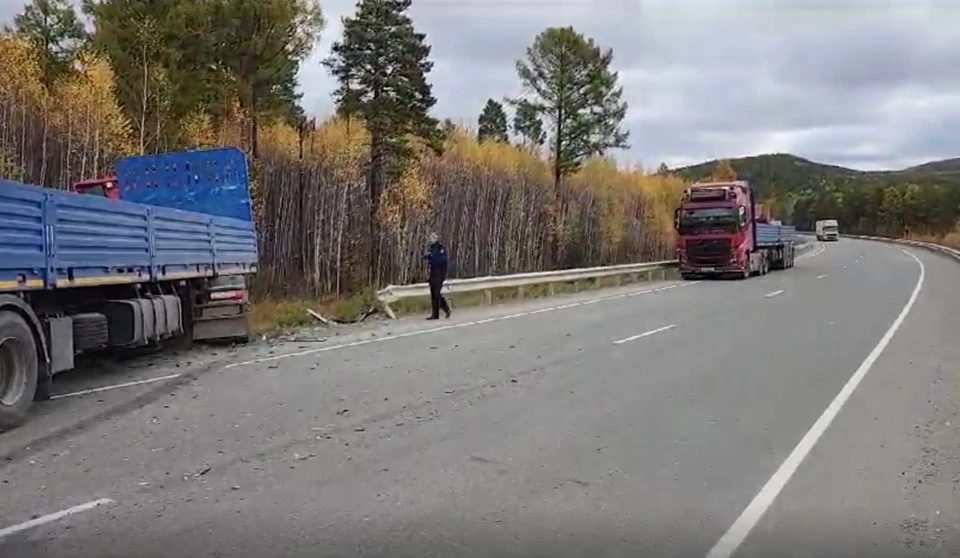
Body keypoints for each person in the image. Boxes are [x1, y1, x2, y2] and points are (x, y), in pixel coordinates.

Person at [423, 232, 451, 320]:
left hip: (440, 273)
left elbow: (441, 260)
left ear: (435, 238)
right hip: (433, 272)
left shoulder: (440, 248)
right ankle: (435, 314)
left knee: (436, 293)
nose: (430, 240)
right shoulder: (431, 248)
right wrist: (427, 257)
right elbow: (431, 258)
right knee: (433, 293)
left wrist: (431, 258)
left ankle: (446, 308)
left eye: (431, 238)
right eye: (429, 238)